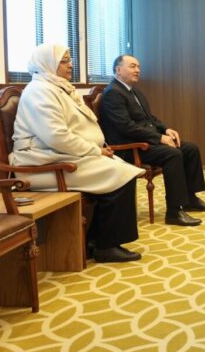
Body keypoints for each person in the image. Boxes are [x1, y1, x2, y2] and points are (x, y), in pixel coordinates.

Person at [10, 44, 144, 263]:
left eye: (69, 59)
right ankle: (106, 246)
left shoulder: (60, 88)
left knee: (123, 169)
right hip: (42, 164)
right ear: (47, 63)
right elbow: (56, 137)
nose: (71, 64)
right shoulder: (39, 91)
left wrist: (98, 149)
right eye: (64, 61)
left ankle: (95, 240)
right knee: (122, 175)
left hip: (65, 156)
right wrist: (95, 150)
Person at [99, 55, 205, 227]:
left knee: (190, 148)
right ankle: (174, 211)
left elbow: (150, 118)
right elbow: (126, 127)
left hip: (146, 141)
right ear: (118, 69)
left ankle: (190, 199)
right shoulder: (113, 93)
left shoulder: (135, 91)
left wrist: (165, 129)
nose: (137, 70)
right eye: (132, 66)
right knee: (173, 154)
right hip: (129, 148)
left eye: (138, 67)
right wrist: (159, 138)